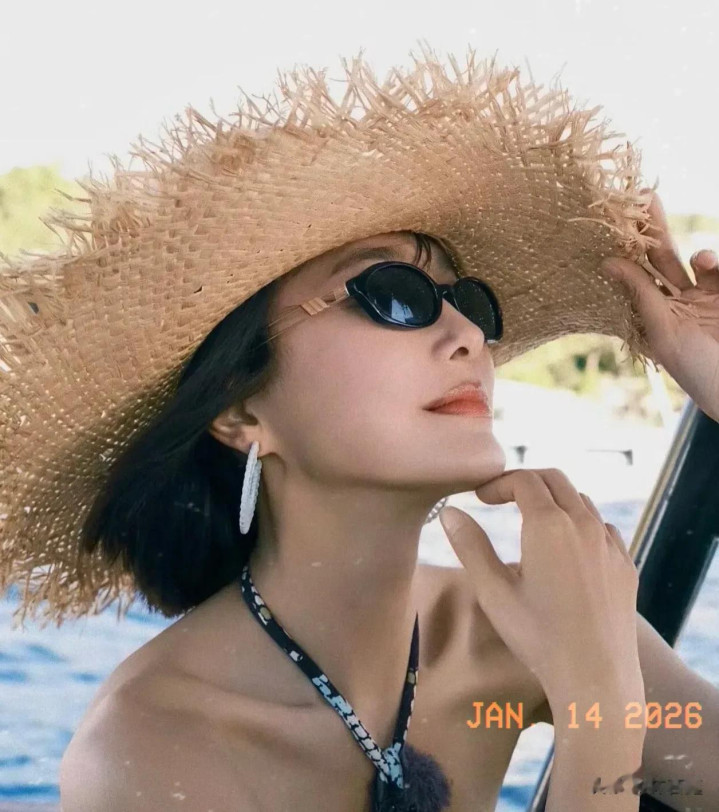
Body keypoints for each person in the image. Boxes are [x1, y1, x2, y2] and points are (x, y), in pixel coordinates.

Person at [1, 45, 717, 811]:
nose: (467, 336)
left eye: (470, 302)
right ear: (239, 411)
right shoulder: (152, 751)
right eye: (394, 294)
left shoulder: (524, 630)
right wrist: (599, 702)